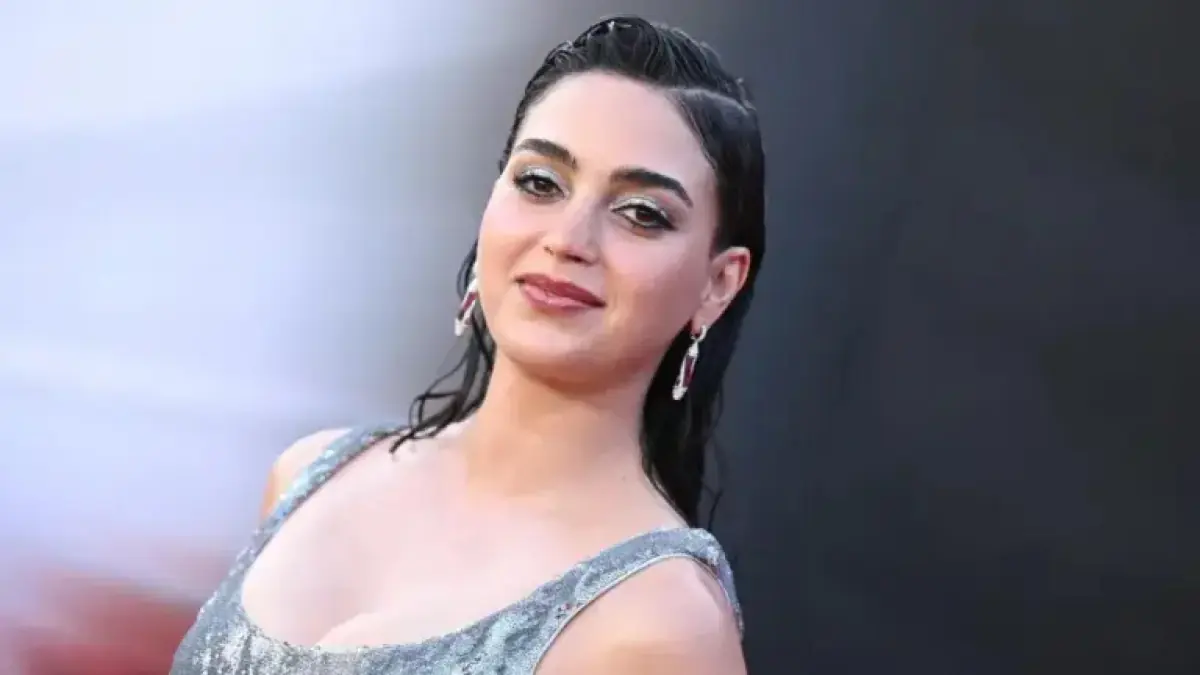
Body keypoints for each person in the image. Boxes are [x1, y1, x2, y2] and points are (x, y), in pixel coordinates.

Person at [170, 15, 765, 674]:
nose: (568, 239)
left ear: (718, 283)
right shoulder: (309, 474)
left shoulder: (663, 623)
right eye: (540, 182)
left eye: (642, 214)